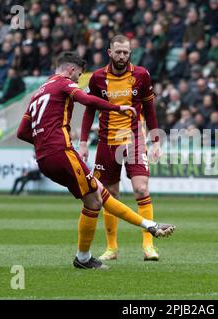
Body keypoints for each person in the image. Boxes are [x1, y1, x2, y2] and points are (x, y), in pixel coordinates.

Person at [17, 51, 175, 270]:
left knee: (97, 196)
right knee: (98, 197)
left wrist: (44, 142)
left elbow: (22, 132)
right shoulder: (63, 83)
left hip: (45, 159)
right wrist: (118, 107)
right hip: (62, 153)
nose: (77, 80)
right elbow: (87, 100)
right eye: (78, 75)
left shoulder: (38, 93)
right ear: (71, 70)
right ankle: (84, 258)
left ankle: (149, 226)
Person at [79, 34, 162, 261]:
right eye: (118, 52)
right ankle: (112, 248)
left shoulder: (141, 75)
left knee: (141, 189)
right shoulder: (97, 78)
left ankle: (148, 246)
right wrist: (84, 142)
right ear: (110, 52)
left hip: (134, 138)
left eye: (126, 52)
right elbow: (89, 110)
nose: (122, 56)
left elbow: (150, 109)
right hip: (106, 140)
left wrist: (155, 141)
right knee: (109, 194)